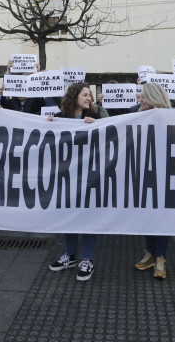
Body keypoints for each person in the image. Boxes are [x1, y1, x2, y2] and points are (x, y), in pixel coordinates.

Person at [48, 82, 107, 282]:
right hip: (65, 177)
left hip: (88, 177)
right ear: (74, 96)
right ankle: (70, 255)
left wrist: (96, 128)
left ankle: (87, 259)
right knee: (68, 216)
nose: (89, 98)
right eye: (85, 94)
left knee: (88, 217)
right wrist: (47, 124)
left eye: (90, 95)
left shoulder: (95, 118)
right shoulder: (59, 118)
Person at [132, 83, 173, 279]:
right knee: (147, 215)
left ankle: (161, 257)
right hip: (144, 175)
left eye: (144, 97)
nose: (140, 100)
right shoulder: (135, 113)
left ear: (154, 98)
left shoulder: (173, 117)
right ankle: (150, 254)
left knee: (162, 217)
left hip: (165, 175)